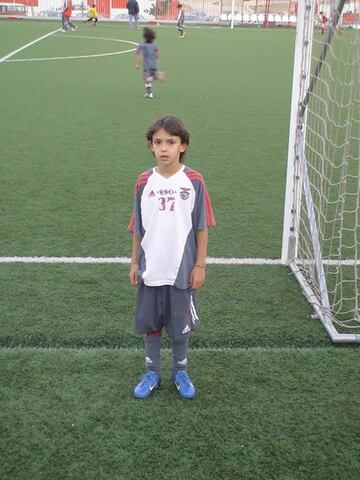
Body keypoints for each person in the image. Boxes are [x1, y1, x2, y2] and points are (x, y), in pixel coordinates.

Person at [128, 115, 215, 399]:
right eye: (158, 142)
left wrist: (200, 265)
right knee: (151, 325)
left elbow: (201, 227)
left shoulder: (194, 180)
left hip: (181, 270)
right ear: (150, 146)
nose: (164, 148)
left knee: (180, 326)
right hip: (151, 268)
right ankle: (152, 372)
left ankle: (180, 370)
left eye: (171, 142)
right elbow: (138, 228)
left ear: (183, 145)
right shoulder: (143, 181)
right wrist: (134, 262)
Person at [135, 27, 165, 99]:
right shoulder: (155, 45)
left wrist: (137, 64)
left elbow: (139, 55)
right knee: (148, 80)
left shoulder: (142, 45)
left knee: (146, 79)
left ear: (144, 36)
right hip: (154, 64)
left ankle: (158, 77)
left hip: (147, 66)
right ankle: (149, 94)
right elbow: (158, 55)